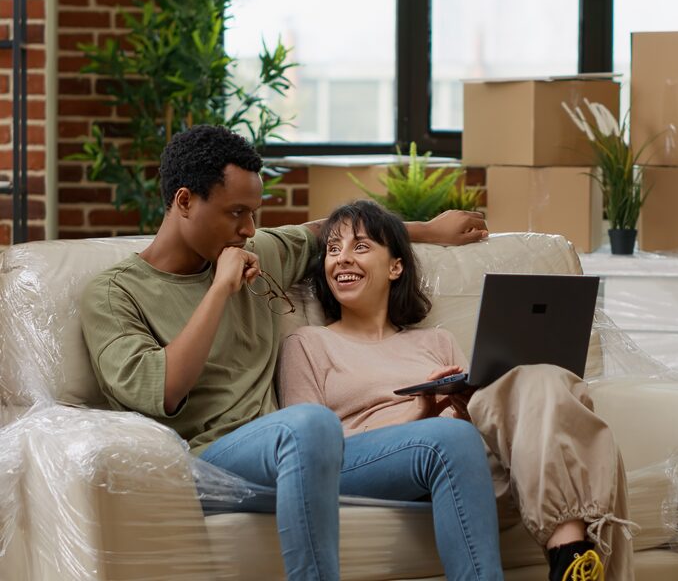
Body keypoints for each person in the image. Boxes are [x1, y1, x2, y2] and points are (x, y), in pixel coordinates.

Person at [80, 125, 502, 581]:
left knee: (453, 440)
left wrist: (428, 230)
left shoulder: (256, 250)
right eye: (236, 213)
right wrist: (220, 289)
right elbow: (165, 390)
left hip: (303, 460)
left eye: (254, 213)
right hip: (208, 467)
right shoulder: (114, 294)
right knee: (310, 423)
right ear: (185, 201)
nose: (249, 229)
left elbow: (321, 232)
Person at [278, 200, 637, 581]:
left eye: (361, 246)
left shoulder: (437, 341)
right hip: (368, 464)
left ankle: (570, 557)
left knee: (547, 382)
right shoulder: (308, 343)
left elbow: (470, 435)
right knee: (451, 436)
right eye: (333, 249)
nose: (342, 259)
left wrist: (465, 410)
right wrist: (418, 418)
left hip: (460, 464)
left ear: (396, 266)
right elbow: (306, 449)